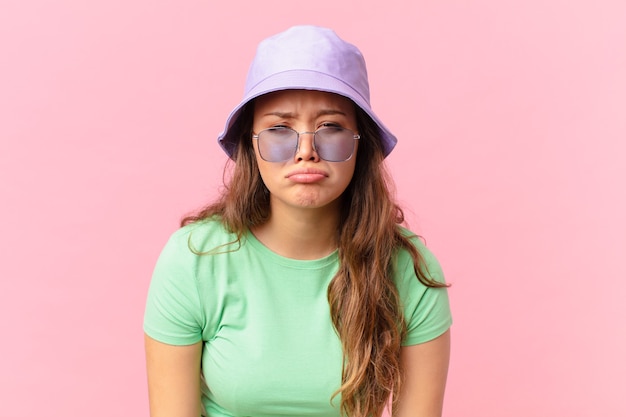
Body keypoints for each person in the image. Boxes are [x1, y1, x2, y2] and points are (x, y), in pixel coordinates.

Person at [144, 25, 452, 417]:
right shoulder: (194, 259)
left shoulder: (409, 269)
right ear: (251, 144)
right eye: (278, 129)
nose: (306, 150)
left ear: (361, 143)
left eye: (331, 127)